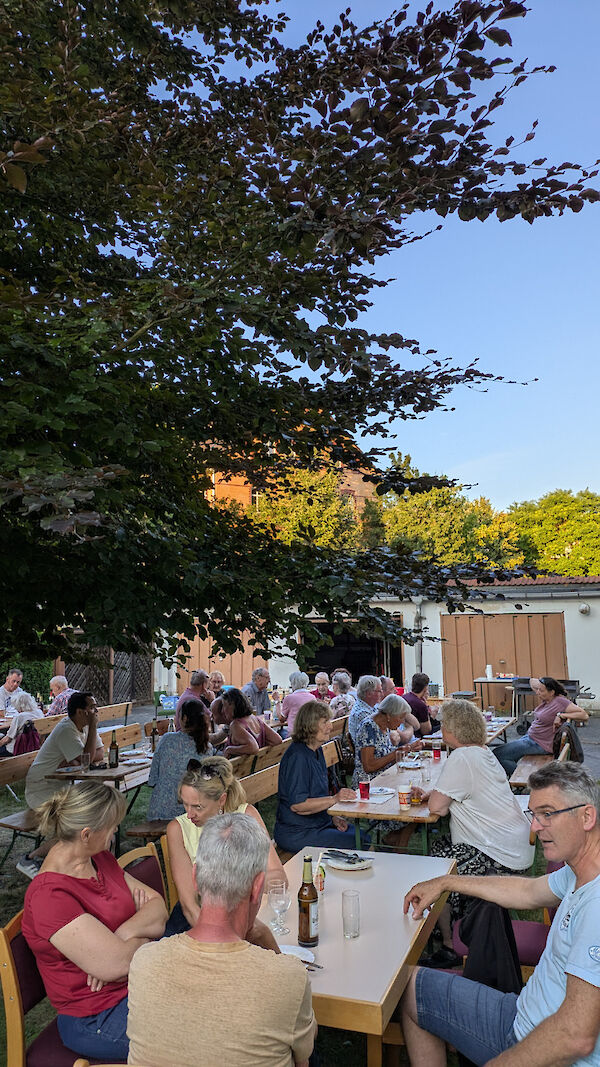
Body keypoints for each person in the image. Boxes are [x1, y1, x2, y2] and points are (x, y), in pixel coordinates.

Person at [400, 761, 600, 1067]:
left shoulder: (595, 905)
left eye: (548, 814)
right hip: (523, 1012)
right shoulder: (581, 869)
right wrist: (446, 882)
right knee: (410, 985)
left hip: (539, 1042)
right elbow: (526, 891)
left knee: (407, 988)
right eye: (534, 815)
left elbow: (575, 1036)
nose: (535, 827)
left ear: (586, 816)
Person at [128, 812, 316, 1067]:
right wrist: (270, 945)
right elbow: (304, 1054)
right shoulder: (288, 978)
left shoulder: (144, 963)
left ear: (195, 877)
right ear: (257, 887)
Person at [21, 780, 167, 1061]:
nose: (115, 833)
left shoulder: (99, 859)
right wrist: (144, 939)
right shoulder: (49, 896)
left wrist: (122, 935)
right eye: (112, 827)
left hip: (137, 986)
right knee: (196, 1033)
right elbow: (116, 965)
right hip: (96, 1016)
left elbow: (158, 907)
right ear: (86, 834)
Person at [416, 698, 534, 968]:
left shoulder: (461, 757)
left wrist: (433, 796)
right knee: (438, 849)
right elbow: (459, 791)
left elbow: (437, 808)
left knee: (438, 868)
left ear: (453, 728)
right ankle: (449, 925)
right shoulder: (481, 752)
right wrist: (434, 793)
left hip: (498, 854)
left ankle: (449, 946)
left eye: (443, 724)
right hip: (515, 845)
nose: (441, 729)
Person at [165, 755, 287, 934]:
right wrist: (225, 937)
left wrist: (249, 908)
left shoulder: (247, 816)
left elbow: (276, 874)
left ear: (221, 800)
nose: (189, 814)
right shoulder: (177, 829)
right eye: (185, 804)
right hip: (197, 923)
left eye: (198, 807)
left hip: (243, 917)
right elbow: (189, 906)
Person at [19, 691, 105, 878]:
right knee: (79, 823)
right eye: (92, 707)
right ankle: (31, 858)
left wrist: (83, 755)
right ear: (80, 712)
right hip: (41, 789)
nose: (96, 711)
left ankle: (82, 862)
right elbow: (88, 759)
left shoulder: (84, 727)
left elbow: (99, 754)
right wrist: (92, 732)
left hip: (61, 786)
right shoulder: (66, 729)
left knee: (93, 813)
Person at [274, 700, 359, 852]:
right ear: (310, 725)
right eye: (325, 722)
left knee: (359, 835)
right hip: (297, 832)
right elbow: (298, 805)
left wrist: (332, 818)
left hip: (316, 824)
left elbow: (317, 794)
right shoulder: (298, 757)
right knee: (358, 841)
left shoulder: (316, 749)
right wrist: (335, 799)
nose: (330, 726)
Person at [354, 692, 418, 848]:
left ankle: (395, 841)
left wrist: (406, 750)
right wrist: (396, 753)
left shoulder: (385, 726)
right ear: (389, 715)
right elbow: (369, 766)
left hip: (385, 779)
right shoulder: (369, 727)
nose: (402, 721)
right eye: (401, 717)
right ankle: (399, 845)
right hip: (369, 786)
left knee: (418, 798)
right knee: (413, 805)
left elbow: (386, 755)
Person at [494, 676, 587, 776]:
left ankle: (523, 778)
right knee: (507, 755)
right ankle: (516, 777)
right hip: (530, 738)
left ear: (552, 692)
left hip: (540, 744)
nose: (537, 692)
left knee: (498, 754)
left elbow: (584, 715)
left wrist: (561, 715)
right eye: (538, 689)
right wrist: (542, 683)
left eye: (541, 690)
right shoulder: (547, 699)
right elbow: (532, 681)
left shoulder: (560, 701)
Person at [147, 699, 213, 820]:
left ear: (185, 718)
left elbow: (152, 779)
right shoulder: (207, 748)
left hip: (161, 811)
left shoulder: (167, 740)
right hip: (190, 811)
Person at [223, 686, 282, 757]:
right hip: (259, 762)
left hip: (240, 764)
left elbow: (253, 748)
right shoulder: (255, 718)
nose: (223, 710)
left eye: (224, 705)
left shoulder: (236, 725)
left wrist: (229, 749)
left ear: (232, 705)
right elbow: (277, 740)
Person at [0, 691, 40, 757]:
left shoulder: (20, 717)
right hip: (36, 745)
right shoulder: (39, 712)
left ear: (19, 706)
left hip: (18, 749)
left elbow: (8, 739)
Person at [348, 675, 383, 744]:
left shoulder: (371, 707)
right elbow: (380, 734)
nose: (382, 693)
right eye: (379, 691)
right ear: (369, 693)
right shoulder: (361, 713)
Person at [403, 672, 441, 736]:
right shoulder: (421, 705)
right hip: (417, 736)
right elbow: (426, 731)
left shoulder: (404, 697)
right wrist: (431, 715)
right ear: (425, 688)